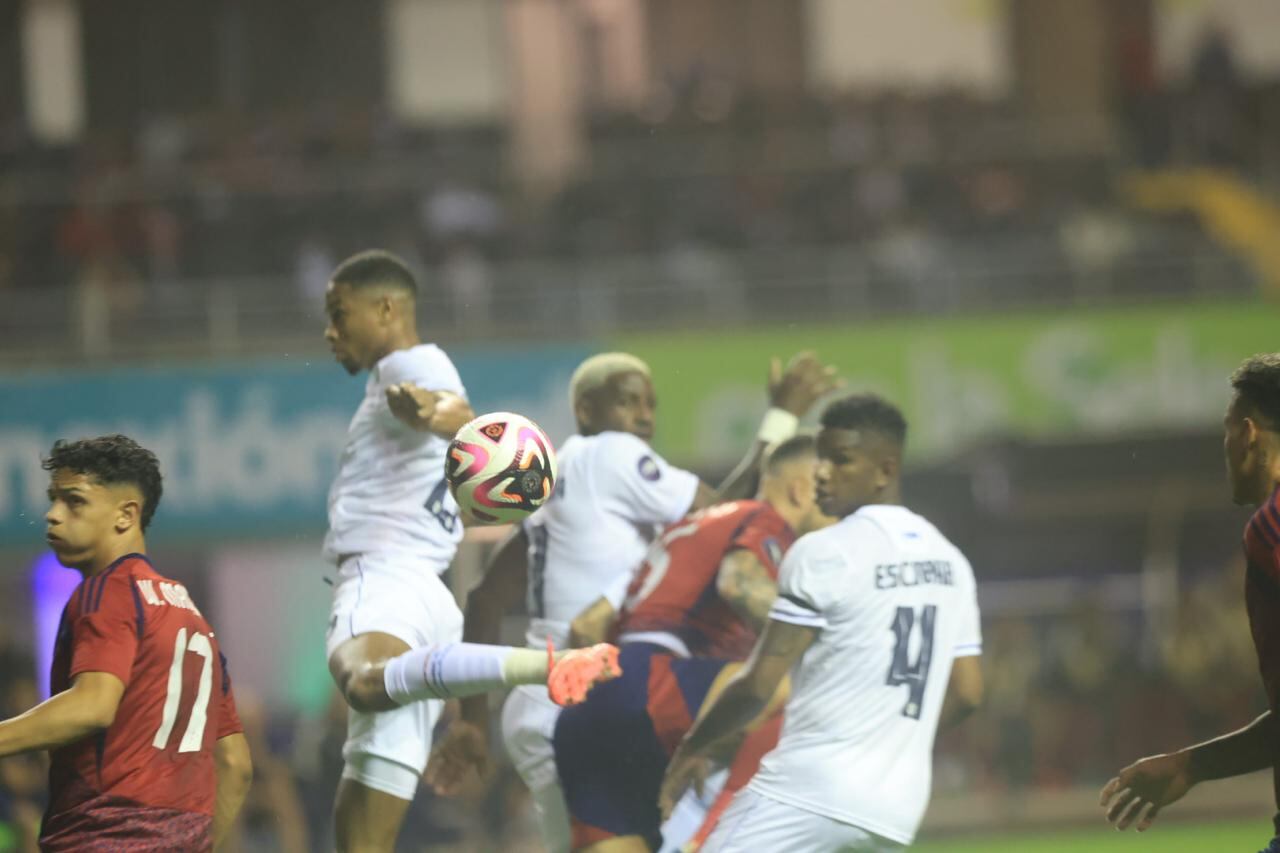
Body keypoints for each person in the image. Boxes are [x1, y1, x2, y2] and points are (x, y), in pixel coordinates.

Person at [428, 351, 839, 853]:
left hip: (541, 701)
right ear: (584, 408)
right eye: (627, 401)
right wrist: (782, 416)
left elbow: (485, 599)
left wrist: (474, 718)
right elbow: (727, 513)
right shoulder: (611, 454)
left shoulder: (551, 492)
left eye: (650, 403)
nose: (644, 415)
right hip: (587, 692)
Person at [321, 250, 618, 853]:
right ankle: (520, 671)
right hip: (430, 600)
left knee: (362, 681)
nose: (329, 331)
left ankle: (545, 666)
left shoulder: (414, 363)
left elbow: (453, 413)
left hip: (386, 582)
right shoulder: (399, 375)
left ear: (386, 308)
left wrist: (446, 419)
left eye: (338, 312)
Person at [661, 394, 985, 852]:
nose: (823, 472)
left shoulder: (825, 551)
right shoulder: (951, 562)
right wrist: (892, 742)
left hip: (806, 794)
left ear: (886, 470)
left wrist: (694, 747)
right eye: (822, 459)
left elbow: (758, 685)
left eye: (842, 460)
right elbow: (970, 693)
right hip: (895, 811)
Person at [554, 434, 829, 852]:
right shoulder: (766, 519)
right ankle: (709, 842)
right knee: (793, 686)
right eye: (827, 487)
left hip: (591, 706)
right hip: (657, 680)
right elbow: (739, 583)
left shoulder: (685, 529)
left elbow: (587, 624)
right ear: (802, 487)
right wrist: (823, 642)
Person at [0, 434, 252, 851]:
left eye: (73, 501)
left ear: (125, 515)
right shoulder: (191, 616)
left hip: (102, 834)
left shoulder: (109, 591)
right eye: (53, 499)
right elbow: (236, 764)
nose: (52, 515)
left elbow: (93, 706)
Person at [1101, 353, 1280, 853]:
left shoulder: (1272, 526)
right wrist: (1192, 765)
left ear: (1248, 434)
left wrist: (1194, 765)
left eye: (1225, 430)